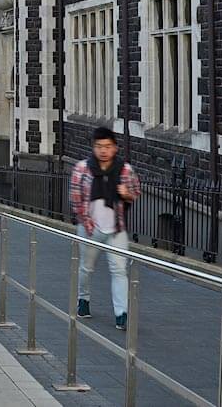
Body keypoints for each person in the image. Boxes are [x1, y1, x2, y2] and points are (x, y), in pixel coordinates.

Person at [70, 127, 140, 331]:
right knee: (86, 268)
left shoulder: (125, 170)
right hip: (90, 228)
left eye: (108, 146)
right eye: (99, 146)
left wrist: (126, 193)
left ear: (115, 148)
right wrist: (85, 221)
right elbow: (75, 199)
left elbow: (135, 193)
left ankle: (122, 313)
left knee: (119, 270)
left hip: (116, 229)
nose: (103, 150)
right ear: (93, 147)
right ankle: (83, 299)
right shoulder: (82, 169)